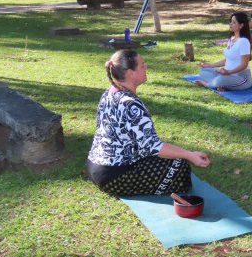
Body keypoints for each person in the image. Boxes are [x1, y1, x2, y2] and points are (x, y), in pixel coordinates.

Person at [86, 50, 210, 196]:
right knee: (179, 165)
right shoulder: (131, 104)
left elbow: (142, 142)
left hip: (95, 166)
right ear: (131, 72)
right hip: (113, 176)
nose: (146, 67)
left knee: (169, 157)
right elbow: (154, 147)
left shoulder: (110, 92)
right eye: (142, 65)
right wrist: (189, 155)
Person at [195, 12, 252, 91]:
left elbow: (244, 64)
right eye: (231, 21)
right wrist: (211, 65)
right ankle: (221, 85)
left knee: (221, 80)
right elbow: (228, 59)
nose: (231, 24)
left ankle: (207, 84)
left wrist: (229, 72)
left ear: (241, 25)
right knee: (203, 71)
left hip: (241, 77)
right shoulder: (232, 39)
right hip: (226, 74)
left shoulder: (244, 41)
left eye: (234, 22)